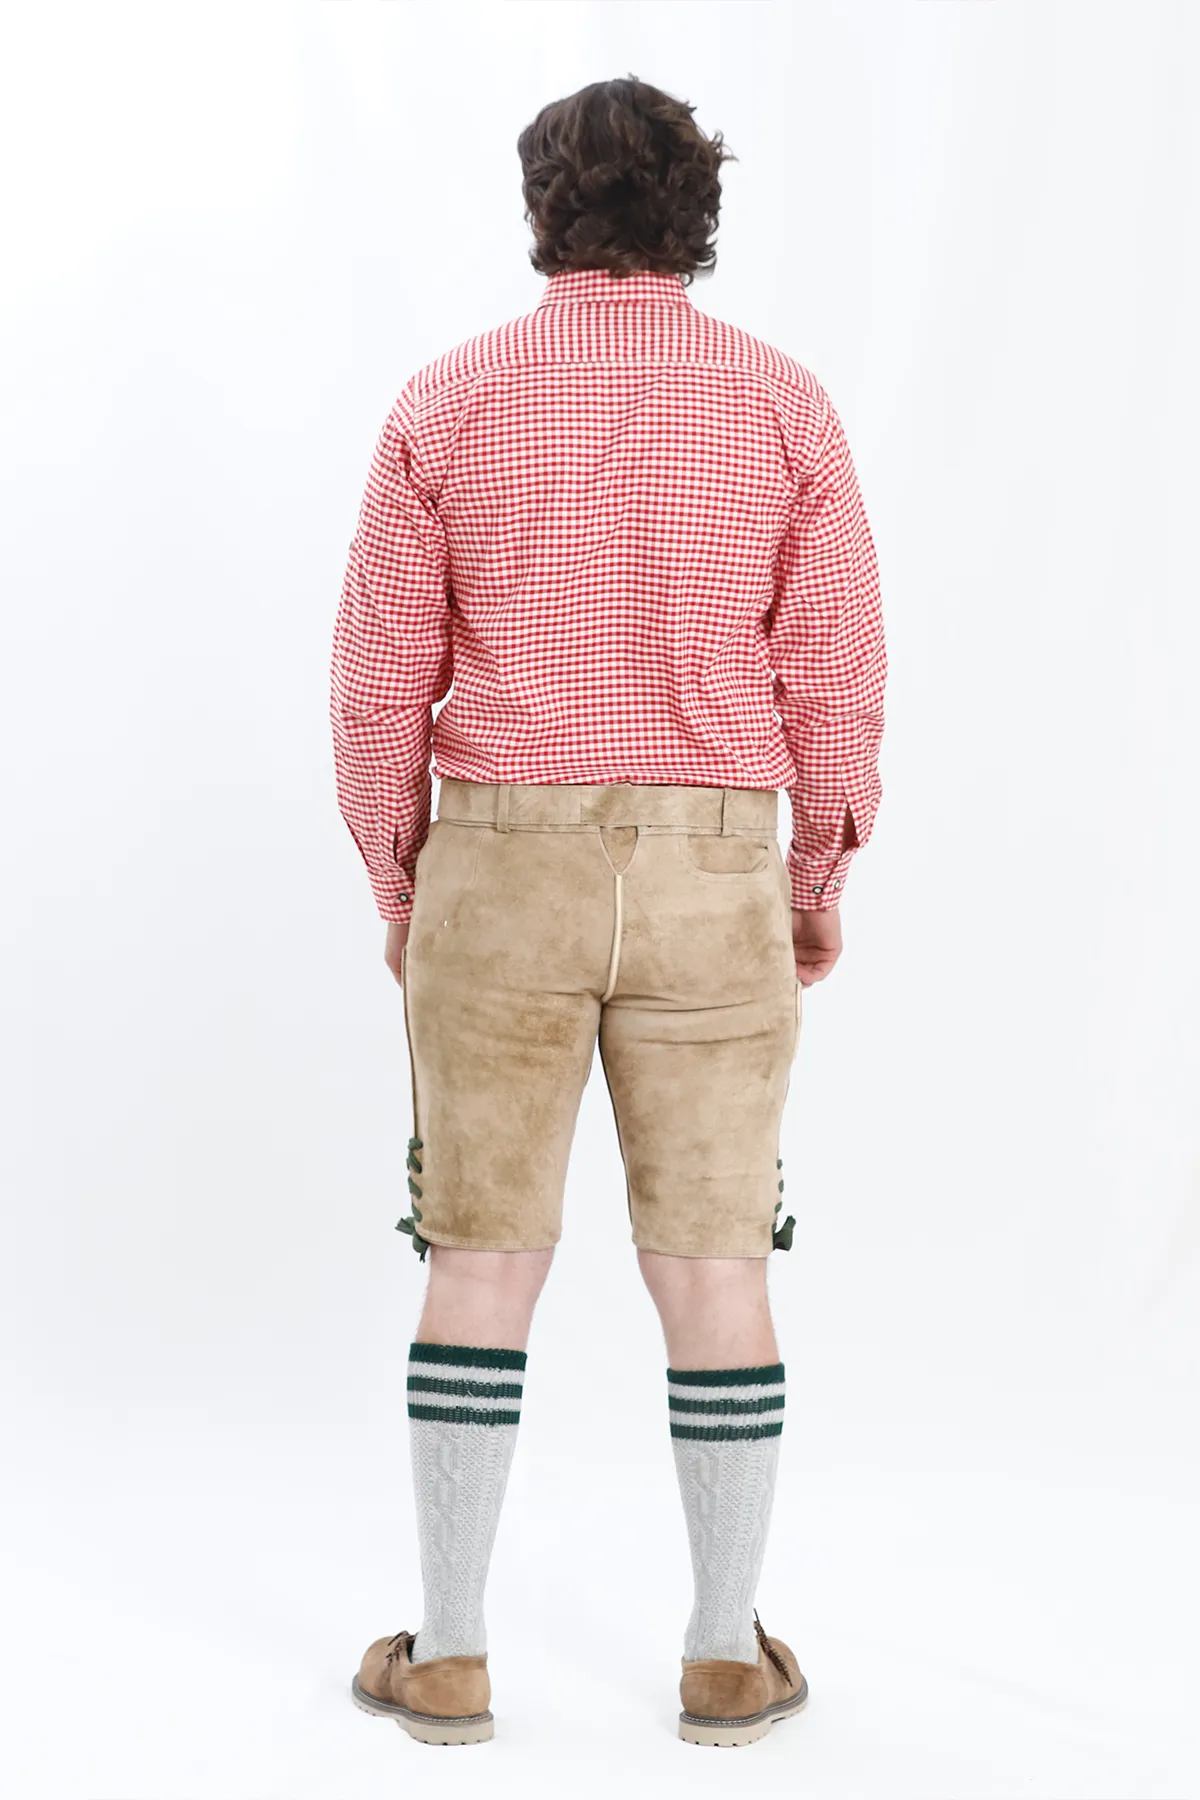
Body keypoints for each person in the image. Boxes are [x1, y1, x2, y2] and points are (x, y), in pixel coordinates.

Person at [331, 73, 885, 1749]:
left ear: (542, 212)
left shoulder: (447, 401)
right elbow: (837, 674)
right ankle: (723, 1654)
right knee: (714, 1263)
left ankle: (449, 1653)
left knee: (480, 1257)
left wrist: (403, 881)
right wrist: (815, 877)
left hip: (499, 869)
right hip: (714, 869)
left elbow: (378, 683)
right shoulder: (783, 404)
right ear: (698, 214)